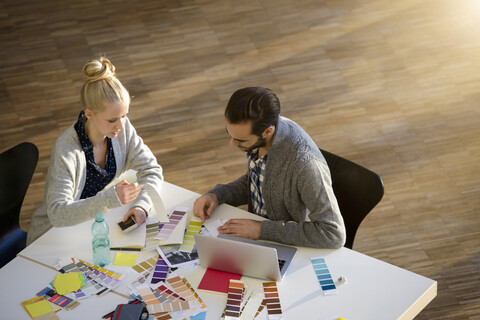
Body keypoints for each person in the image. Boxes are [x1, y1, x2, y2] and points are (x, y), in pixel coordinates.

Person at [27, 57, 163, 245]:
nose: (121, 126)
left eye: (124, 116)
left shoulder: (122, 129)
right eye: (112, 120)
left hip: (97, 226)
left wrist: (142, 206)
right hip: (55, 237)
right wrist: (108, 200)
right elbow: (58, 214)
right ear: (89, 113)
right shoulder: (66, 150)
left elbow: (151, 169)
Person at [193, 87, 346, 248]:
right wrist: (217, 195)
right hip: (258, 236)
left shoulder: (305, 165)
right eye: (229, 133)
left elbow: (333, 233)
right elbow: (258, 181)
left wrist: (261, 230)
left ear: (267, 131)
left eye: (241, 140)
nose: (232, 143)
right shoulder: (264, 132)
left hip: (291, 246)